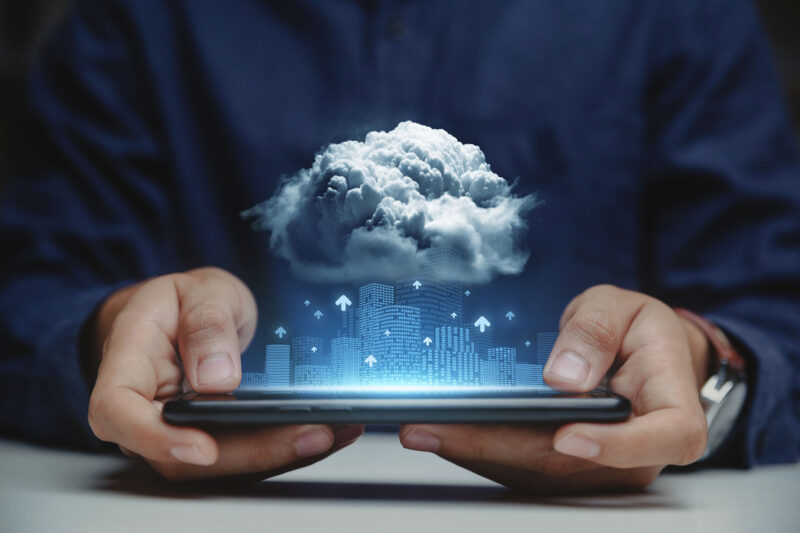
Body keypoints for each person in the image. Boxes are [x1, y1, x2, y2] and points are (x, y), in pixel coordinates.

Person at [0, 0, 798, 493]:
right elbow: (34, 292)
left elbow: (775, 307)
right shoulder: (137, 15)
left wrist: (707, 374)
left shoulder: (678, 10)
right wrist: (111, 331)